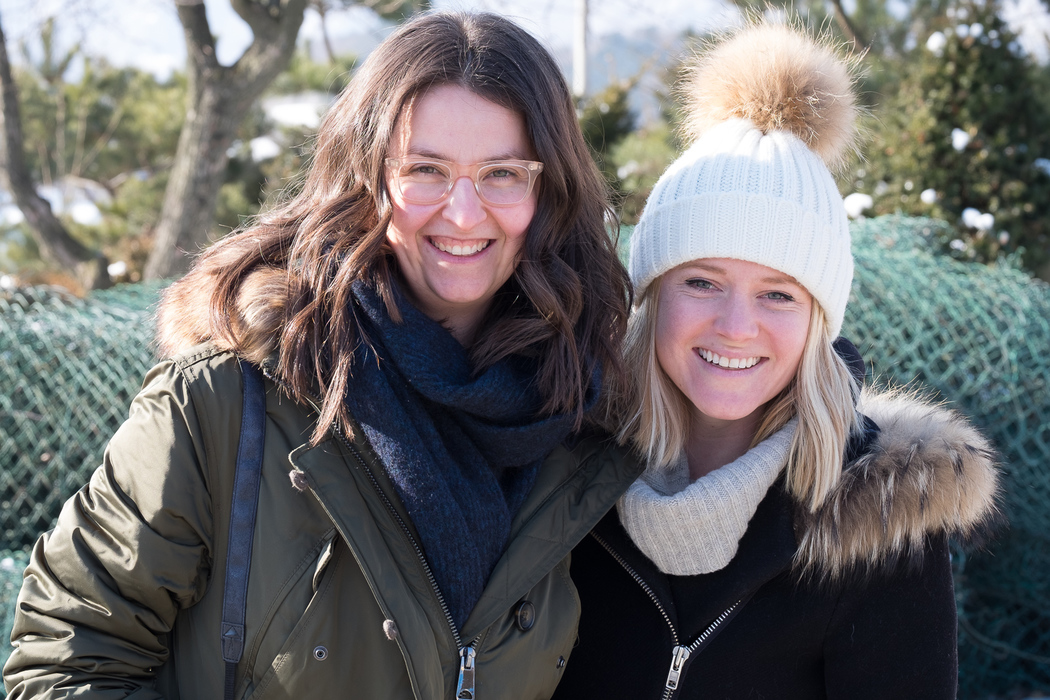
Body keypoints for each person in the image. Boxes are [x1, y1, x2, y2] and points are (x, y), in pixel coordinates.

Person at [4, 11, 638, 699]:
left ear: (548, 192)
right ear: (365, 177)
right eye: (425, 170)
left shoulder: (583, 417)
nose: (463, 212)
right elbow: (65, 660)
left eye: (502, 174)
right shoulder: (228, 395)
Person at [552, 21, 1000, 700]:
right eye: (701, 281)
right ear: (651, 296)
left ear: (820, 320)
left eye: (778, 295)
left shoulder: (879, 521)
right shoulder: (565, 473)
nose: (737, 327)